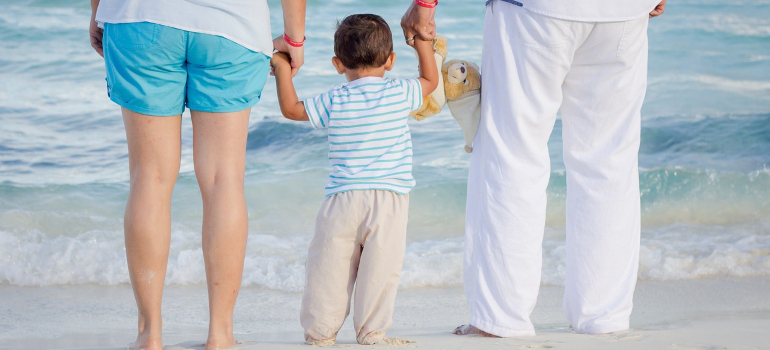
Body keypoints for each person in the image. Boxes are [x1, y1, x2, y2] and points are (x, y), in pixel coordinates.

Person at [402, 0, 667, 337]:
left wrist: (425, 4)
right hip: (624, 9)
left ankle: (502, 317)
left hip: (533, 10)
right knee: (609, 161)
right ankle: (604, 316)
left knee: (513, 153)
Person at [88, 1, 306, 349]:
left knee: (150, 177)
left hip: (140, 18)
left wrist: (97, 10)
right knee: (224, 179)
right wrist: (294, 39)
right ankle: (220, 335)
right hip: (233, 26)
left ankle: (149, 335)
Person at [271, 14, 438, 345]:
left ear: (337, 64)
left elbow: (291, 109)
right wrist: (423, 45)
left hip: (342, 199)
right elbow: (430, 81)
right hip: (389, 199)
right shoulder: (401, 92)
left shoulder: (334, 99)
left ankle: (320, 333)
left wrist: (280, 66)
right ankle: (372, 333)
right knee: (381, 270)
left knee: (328, 268)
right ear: (390, 61)